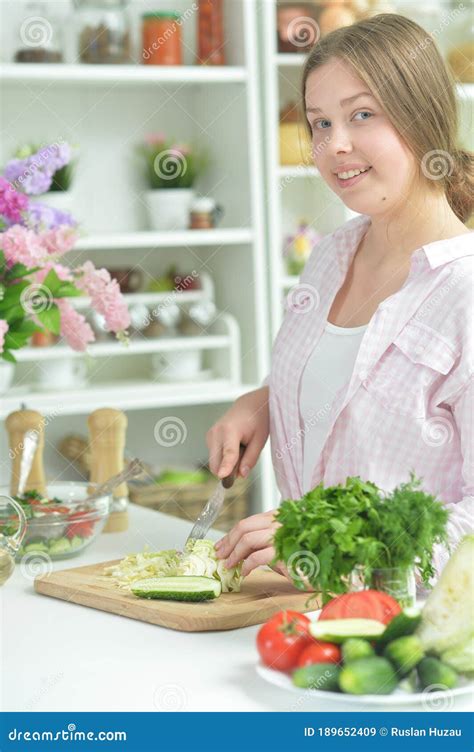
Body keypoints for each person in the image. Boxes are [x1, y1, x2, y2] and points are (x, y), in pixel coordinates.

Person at [207, 14, 473, 582]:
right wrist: (266, 400)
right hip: (300, 612)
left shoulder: (464, 292)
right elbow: (354, 382)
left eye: (361, 115)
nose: (335, 145)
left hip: (409, 637)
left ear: (424, 117)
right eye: (320, 123)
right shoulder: (332, 256)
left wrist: (323, 543)